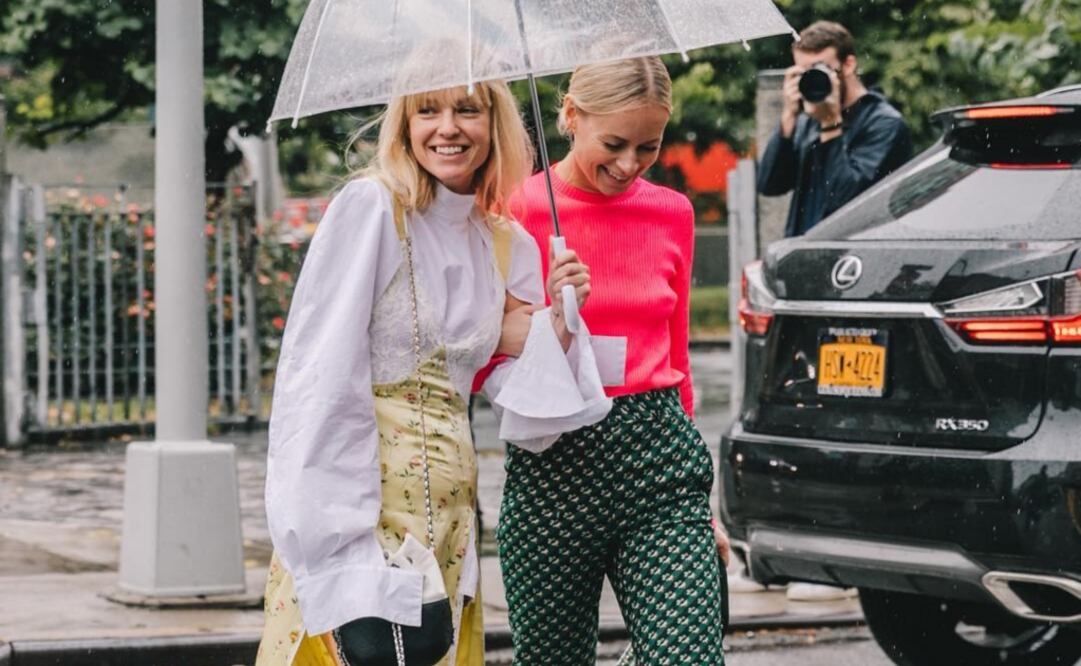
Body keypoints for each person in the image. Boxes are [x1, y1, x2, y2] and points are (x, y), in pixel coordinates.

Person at [256, 78, 606, 666]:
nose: (447, 128)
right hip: (364, 509)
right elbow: (319, 375)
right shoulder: (372, 209)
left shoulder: (503, 242)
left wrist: (561, 315)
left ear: (494, 126)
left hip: (451, 517)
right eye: (429, 112)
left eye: (467, 110)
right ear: (405, 124)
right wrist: (336, 538)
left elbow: (526, 408)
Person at [494, 56, 729, 665]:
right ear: (571, 116)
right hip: (552, 460)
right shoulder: (514, 209)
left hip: (659, 460)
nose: (628, 165)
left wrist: (703, 509)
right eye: (614, 144)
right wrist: (552, 316)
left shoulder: (672, 213)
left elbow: (676, 357)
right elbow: (481, 349)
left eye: (647, 147)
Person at [758, 20, 913, 237]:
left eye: (820, 69)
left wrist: (831, 125)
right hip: (804, 251)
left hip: (852, 261)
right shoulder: (808, 119)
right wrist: (788, 116)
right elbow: (769, 185)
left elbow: (847, 201)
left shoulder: (884, 124)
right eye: (803, 73)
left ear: (848, 65)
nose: (812, 79)